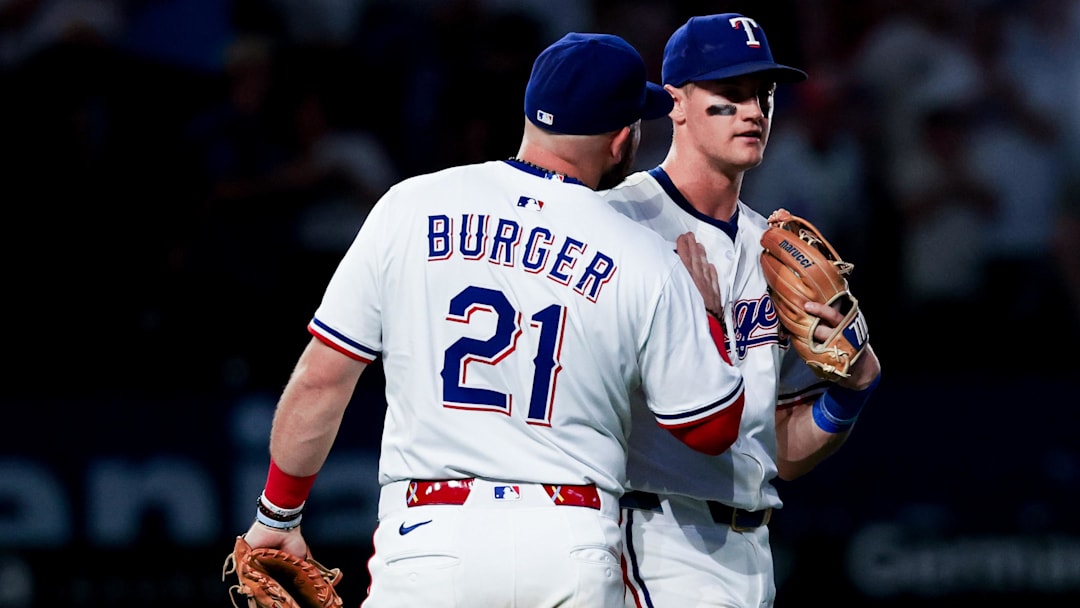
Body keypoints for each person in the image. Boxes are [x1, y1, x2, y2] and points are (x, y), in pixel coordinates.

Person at [238, 32, 750, 608]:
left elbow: (322, 379)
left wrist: (277, 513)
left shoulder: (411, 205)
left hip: (431, 538)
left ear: (531, 112)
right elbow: (709, 429)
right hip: (571, 541)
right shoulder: (645, 255)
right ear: (622, 140)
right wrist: (710, 315)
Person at [602, 14, 883, 607]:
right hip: (654, 530)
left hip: (751, 551)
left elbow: (776, 451)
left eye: (763, 94)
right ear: (676, 103)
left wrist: (850, 395)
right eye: (729, 95)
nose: (753, 111)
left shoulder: (773, 250)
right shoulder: (618, 221)